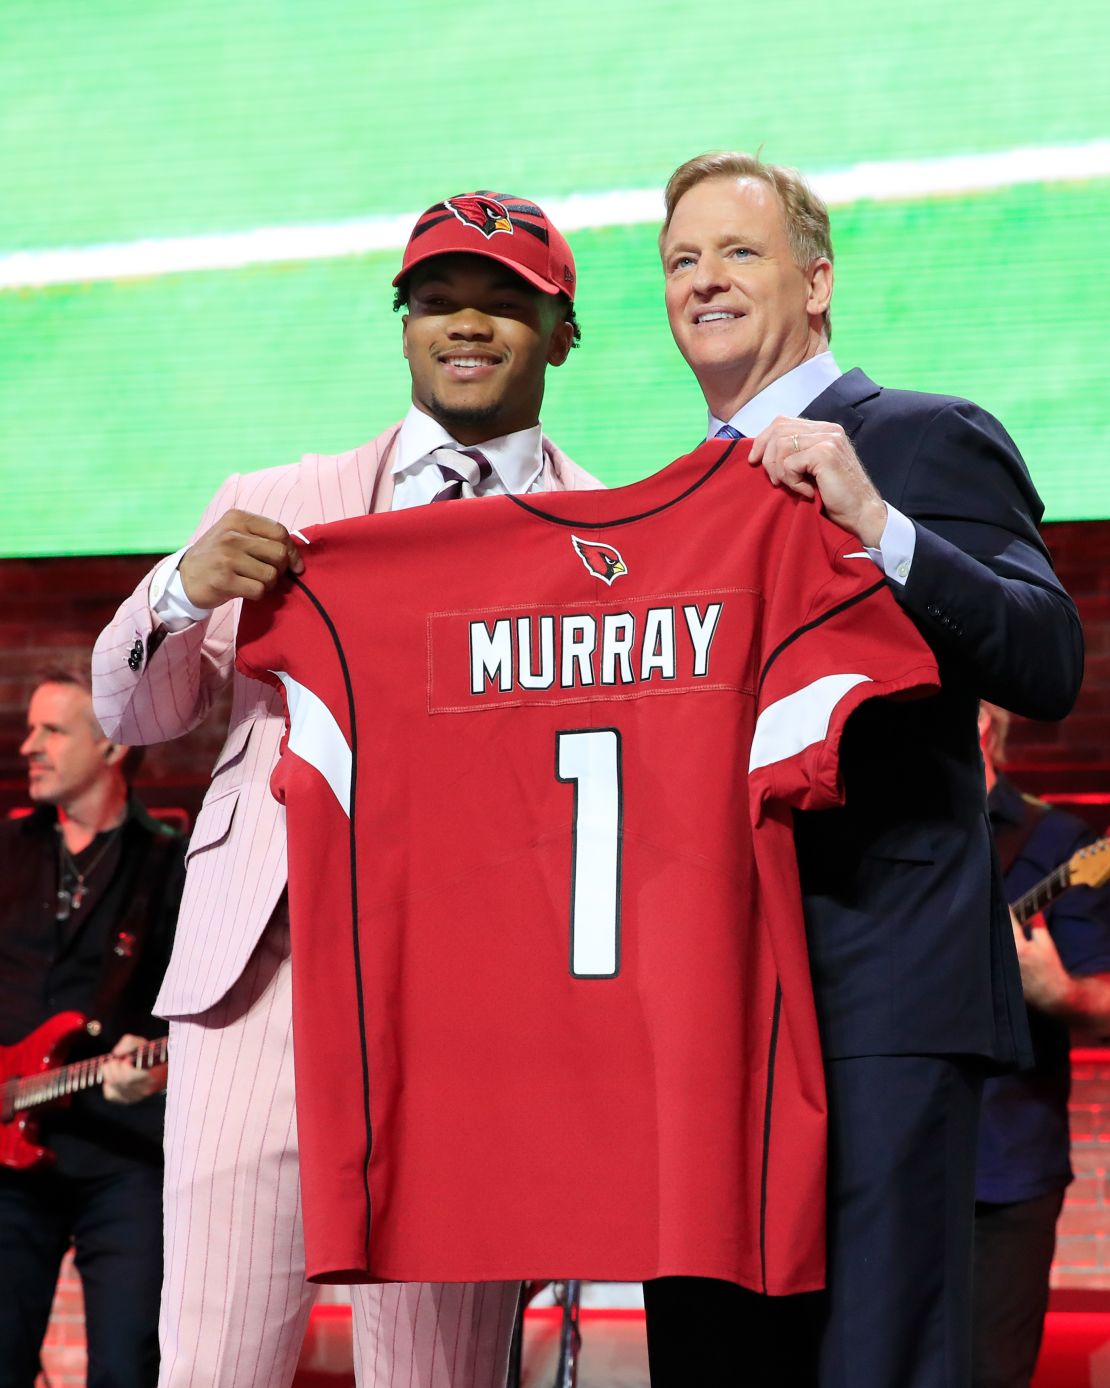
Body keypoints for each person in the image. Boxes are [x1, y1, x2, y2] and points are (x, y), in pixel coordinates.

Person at [91, 190, 601, 1388]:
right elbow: (135, 713)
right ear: (404, 322)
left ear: (562, 330)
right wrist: (176, 587)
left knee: (439, 1376)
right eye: (437, 300)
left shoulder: (607, 537)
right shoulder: (281, 499)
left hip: (477, 1014)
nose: (464, 324)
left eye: (503, 303)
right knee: (211, 1365)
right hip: (259, 987)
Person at [644, 151, 1084, 1387]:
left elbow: (1045, 653)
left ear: (817, 278)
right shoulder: (671, 500)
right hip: (711, 1004)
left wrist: (876, 521)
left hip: (879, 996)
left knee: (877, 1358)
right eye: (682, 261)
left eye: (738, 250)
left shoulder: (919, 438)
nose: (705, 280)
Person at [0, 670, 182, 1388]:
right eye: (30, 729)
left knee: (130, 1363)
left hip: (124, 1151)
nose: (28, 747)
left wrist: (163, 1064)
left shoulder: (169, 861)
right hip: (8, 1158)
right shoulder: (7, 853)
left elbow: (194, 1007)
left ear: (110, 744)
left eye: (52, 731)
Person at [973, 701, 1110, 1388]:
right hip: (888, 1157)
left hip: (1004, 1162)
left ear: (978, 722)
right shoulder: (881, 842)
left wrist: (1058, 991)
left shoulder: (1060, 843)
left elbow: (1105, 1001)